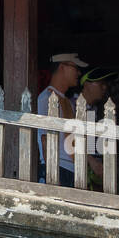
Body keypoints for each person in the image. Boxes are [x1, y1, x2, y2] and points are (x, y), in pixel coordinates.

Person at [37, 53, 88, 187]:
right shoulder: (46, 98)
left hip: (71, 169)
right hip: (57, 166)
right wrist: (52, 172)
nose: (78, 72)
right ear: (62, 67)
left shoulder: (67, 102)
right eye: (75, 68)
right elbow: (44, 138)